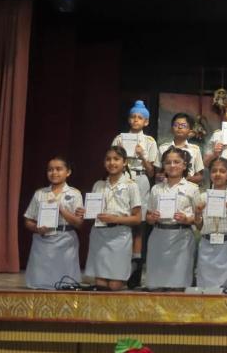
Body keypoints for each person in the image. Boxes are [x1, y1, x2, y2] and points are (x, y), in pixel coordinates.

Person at [78, 146, 142, 291]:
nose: (112, 162)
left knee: (114, 286)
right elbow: (94, 213)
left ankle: (132, 269)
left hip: (120, 236)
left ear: (124, 162)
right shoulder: (98, 185)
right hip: (99, 236)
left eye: (116, 159)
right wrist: (85, 212)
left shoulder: (131, 186)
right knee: (100, 285)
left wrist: (115, 219)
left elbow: (137, 218)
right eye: (108, 159)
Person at [111, 100, 158, 287]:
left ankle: (136, 267)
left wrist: (142, 156)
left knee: (139, 222)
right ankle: (119, 263)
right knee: (123, 218)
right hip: (122, 178)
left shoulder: (149, 141)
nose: (136, 120)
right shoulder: (119, 138)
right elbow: (111, 160)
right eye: (133, 117)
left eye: (140, 117)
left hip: (140, 178)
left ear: (146, 122)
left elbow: (152, 172)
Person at [23, 157, 84, 289]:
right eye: (50, 170)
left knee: (65, 283)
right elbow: (28, 220)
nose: (54, 172)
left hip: (66, 240)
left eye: (58, 169)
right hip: (42, 242)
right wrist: (37, 228)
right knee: (40, 284)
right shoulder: (40, 193)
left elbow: (79, 223)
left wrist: (61, 210)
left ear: (68, 172)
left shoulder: (75, 193)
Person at [145, 147, 200, 290]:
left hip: (182, 238)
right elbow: (148, 217)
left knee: (178, 287)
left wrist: (187, 219)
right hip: (158, 237)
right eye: (168, 162)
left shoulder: (192, 189)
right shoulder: (156, 189)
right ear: (163, 165)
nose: (172, 165)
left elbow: (199, 218)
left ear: (184, 165)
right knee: (157, 286)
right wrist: (152, 217)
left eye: (177, 162)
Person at [193, 157, 227, 291]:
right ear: (210, 174)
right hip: (207, 246)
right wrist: (197, 214)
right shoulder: (202, 197)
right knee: (206, 290)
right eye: (214, 171)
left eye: (222, 171)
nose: (217, 174)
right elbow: (199, 227)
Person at [154, 112, 204, 186]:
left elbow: (200, 176)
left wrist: (186, 179)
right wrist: (162, 177)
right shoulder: (163, 148)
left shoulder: (195, 150)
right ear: (171, 129)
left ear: (190, 131)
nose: (179, 127)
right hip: (167, 187)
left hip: (187, 188)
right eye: (176, 125)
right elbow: (157, 173)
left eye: (183, 125)